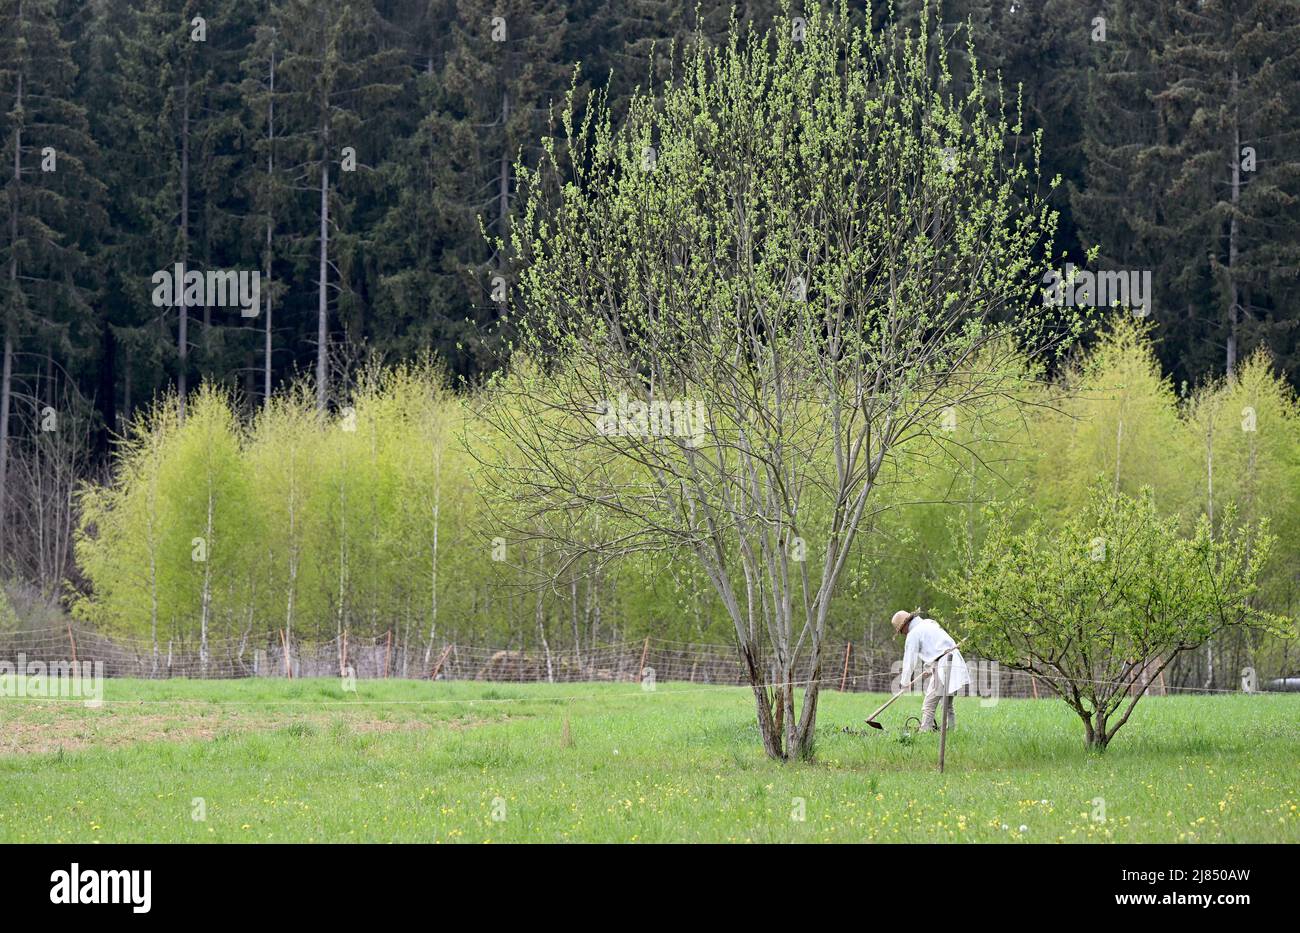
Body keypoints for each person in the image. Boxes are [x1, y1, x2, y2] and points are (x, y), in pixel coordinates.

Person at [891, 608, 970, 732]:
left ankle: (925, 730)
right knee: (947, 704)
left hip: (944, 664)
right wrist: (930, 666)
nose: (903, 634)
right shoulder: (928, 623)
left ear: (905, 625)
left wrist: (904, 683)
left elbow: (909, 661)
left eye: (901, 631)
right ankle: (950, 731)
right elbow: (935, 647)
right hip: (951, 660)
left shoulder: (913, 634)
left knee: (929, 703)